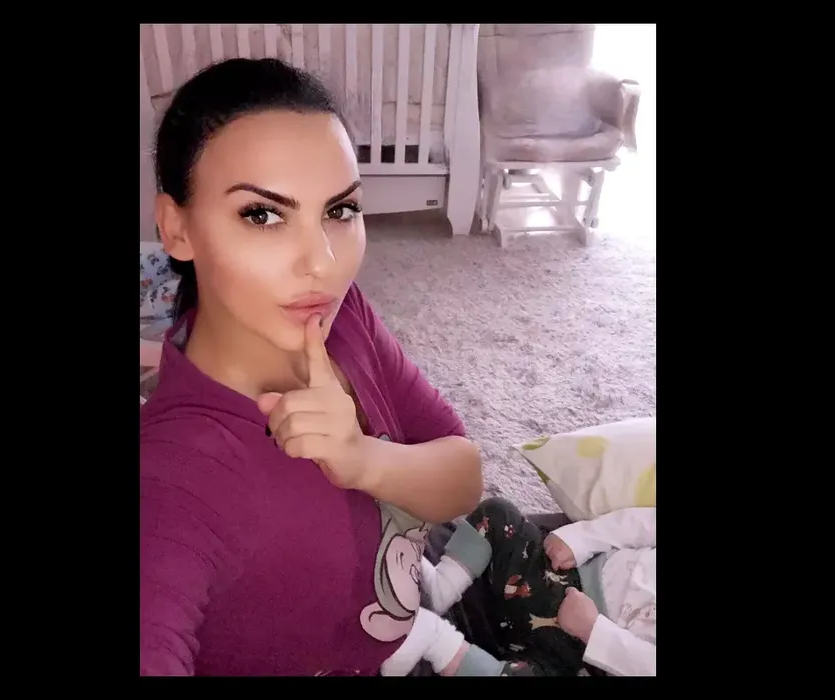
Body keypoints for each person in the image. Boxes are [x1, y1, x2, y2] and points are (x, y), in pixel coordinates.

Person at [139, 57, 484, 676]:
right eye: (263, 215)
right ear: (176, 228)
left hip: (415, 618)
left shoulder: (342, 317)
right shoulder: (175, 472)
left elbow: (464, 476)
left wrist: (363, 460)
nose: (323, 263)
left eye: (340, 210)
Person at [379, 497, 656, 677]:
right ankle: (443, 587)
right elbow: (638, 525)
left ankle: (435, 639)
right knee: (498, 514)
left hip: (580, 657)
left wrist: (593, 631)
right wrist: (579, 539)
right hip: (566, 579)